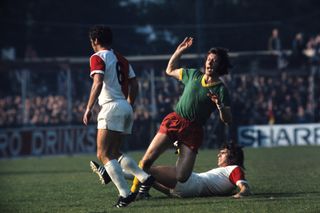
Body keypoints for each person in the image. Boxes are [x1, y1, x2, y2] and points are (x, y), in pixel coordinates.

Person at [131, 37, 233, 197]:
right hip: (175, 121)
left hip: (193, 131)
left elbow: (227, 120)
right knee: (145, 160)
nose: (210, 63)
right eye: (208, 59)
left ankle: (148, 177)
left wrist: (219, 105)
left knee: (182, 177)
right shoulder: (193, 75)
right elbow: (169, 70)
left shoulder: (221, 90)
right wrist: (179, 51)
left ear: (221, 65)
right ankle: (133, 193)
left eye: (214, 60)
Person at [83, 25, 154, 208]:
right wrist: (129, 103)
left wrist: (88, 108)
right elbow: (135, 84)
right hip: (124, 106)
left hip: (110, 107)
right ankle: (144, 177)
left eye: (92, 41)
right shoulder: (121, 58)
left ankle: (125, 194)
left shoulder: (97, 57)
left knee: (103, 154)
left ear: (96, 41)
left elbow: (98, 82)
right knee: (114, 153)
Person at [149, 144, 251, 198]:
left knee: (147, 168)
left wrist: (240, 194)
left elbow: (245, 188)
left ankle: (140, 191)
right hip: (187, 191)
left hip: (191, 182)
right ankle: (142, 190)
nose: (218, 155)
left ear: (233, 157)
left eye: (223, 153)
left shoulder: (234, 169)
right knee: (148, 178)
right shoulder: (228, 171)